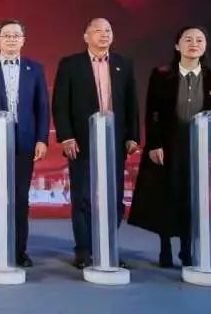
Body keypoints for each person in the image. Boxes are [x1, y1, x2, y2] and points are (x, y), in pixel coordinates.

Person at [129, 26, 211, 268]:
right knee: (165, 195)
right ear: (177, 45)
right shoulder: (161, 75)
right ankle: (165, 248)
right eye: (188, 39)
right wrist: (154, 143)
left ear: (205, 46)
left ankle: (186, 249)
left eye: (199, 40)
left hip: (198, 144)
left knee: (191, 197)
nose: (194, 44)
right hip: (167, 144)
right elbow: (152, 112)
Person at [52, 17, 140, 269]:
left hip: (114, 142)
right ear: (86, 36)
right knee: (83, 197)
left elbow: (131, 103)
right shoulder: (71, 64)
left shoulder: (123, 64)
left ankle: (107, 247)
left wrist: (133, 136)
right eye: (98, 30)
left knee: (114, 198)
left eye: (108, 30)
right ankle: (83, 250)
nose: (104, 34)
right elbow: (60, 103)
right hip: (81, 142)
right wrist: (66, 136)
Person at [0, 19, 49, 268]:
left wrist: (41, 139)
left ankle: (19, 249)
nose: (11, 39)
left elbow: (42, 107)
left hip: (24, 142)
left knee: (20, 197)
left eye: (16, 35)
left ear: (23, 40)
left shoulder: (35, 69)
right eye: (7, 35)